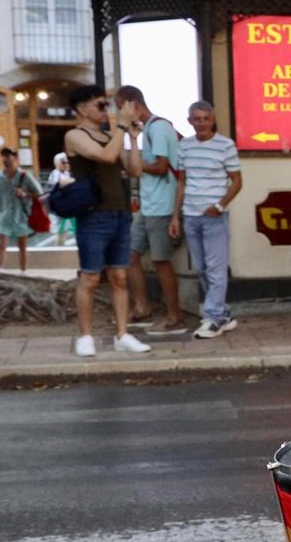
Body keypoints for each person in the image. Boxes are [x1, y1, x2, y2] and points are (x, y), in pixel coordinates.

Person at [59, 85, 151, 357]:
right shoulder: (75, 135)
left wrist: (133, 139)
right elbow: (105, 156)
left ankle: (123, 333)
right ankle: (85, 336)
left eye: (105, 105)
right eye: (100, 106)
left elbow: (134, 169)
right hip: (93, 214)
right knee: (90, 277)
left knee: (119, 276)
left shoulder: (110, 135)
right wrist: (122, 128)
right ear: (81, 109)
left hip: (120, 213)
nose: (105, 110)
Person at [116, 85, 186, 334]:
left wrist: (135, 164)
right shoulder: (146, 130)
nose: (119, 114)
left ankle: (173, 314)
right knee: (130, 255)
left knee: (161, 261)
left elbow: (161, 166)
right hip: (147, 205)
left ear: (132, 104)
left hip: (162, 206)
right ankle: (142, 307)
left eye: (120, 107)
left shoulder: (158, 128)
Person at [176, 100, 242, 339]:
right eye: (197, 119)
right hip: (190, 215)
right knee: (203, 269)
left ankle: (213, 317)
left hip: (214, 216)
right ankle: (223, 314)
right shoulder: (184, 146)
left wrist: (219, 205)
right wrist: (176, 215)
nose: (202, 123)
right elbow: (181, 181)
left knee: (215, 269)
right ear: (190, 121)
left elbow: (237, 181)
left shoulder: (225, 145)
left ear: (213, 120)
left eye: (206, 118)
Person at [0, 147, 40, 272]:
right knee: (2, 245)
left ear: (15, 157)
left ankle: (23, 271)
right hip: (4, 216)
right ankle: (0, 270)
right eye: (4, 156)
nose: (6, 159)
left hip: (21, 216)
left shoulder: (25, 176)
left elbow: (38, 193)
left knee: (22, 247)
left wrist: (24, 194)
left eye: (8, 156)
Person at [47, 153, 75, 245]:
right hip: (58, 206)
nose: (66, 164)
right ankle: (58, 248)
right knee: (58, 230)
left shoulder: (68, 173)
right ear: (57, 163)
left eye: (67, 162)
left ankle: (61, 247)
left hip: (67, 205)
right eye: (63, 162)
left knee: (64, 230)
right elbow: (60, 184)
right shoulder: (55, 174)